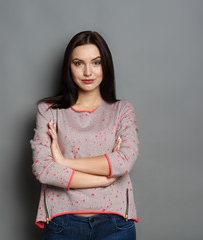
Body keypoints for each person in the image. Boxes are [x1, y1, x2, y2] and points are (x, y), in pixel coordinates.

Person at [30, 31, 139, 240]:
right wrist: (105, 180)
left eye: (96, 62)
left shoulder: (122, 111)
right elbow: (43, 169)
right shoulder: (49, 111)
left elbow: (124, 161)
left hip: (115, 223)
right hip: (63, 221)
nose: (88, 72)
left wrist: (63, 161)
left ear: (105, 66)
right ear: (68, 67)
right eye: (79, 63)